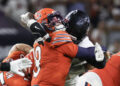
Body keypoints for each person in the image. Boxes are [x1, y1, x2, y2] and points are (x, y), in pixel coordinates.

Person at [20, 8, 106, 86]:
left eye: (73, 31)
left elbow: (98, 63)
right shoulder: (58, 35)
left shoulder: (84, 44)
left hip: (68, 81)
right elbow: (25, 17)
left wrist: (100, 59)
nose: (67, 33)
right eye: (67, 28)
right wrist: (31, 21)